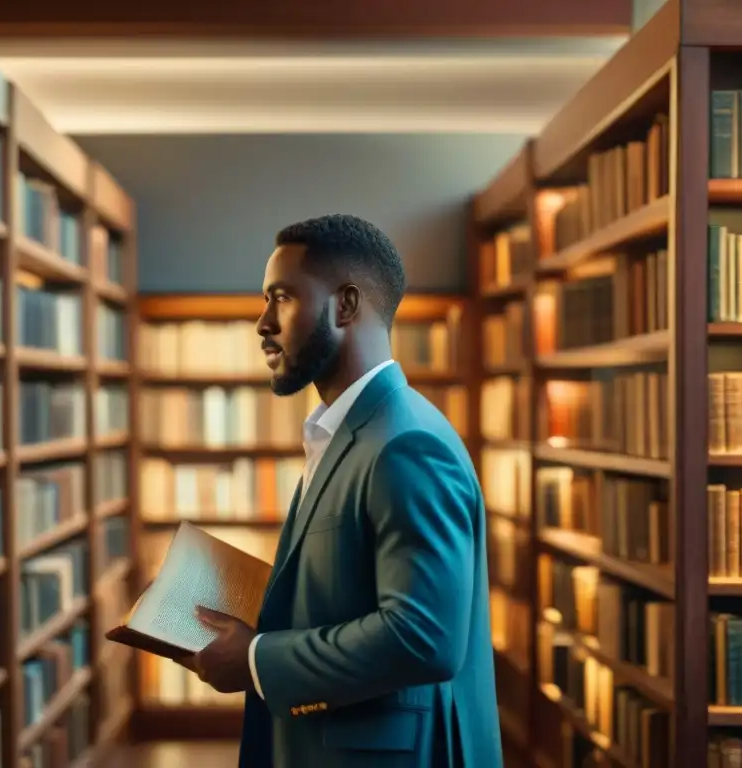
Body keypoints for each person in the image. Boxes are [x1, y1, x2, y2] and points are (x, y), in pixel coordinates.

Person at [180, 214, 502, 767]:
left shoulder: (407, 445)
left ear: (345, 306)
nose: (261, 323)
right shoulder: (353, 429)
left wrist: (258, 660)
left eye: (280, 299)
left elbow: (423, 637)